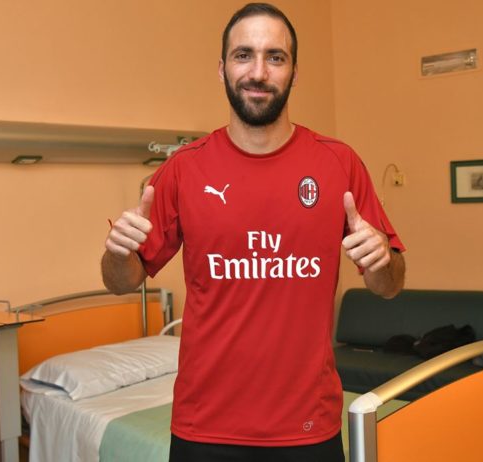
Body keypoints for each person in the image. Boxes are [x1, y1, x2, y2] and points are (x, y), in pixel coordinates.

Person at [101, 3, 406, 461]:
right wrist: (117, 253)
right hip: (205, 428)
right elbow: (122, 281)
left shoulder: (339, 163)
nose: (258, 72)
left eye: (275, 57)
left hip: (309, 427)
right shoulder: (184, 170)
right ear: (222, 68)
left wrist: (382, 258)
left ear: (294, 72)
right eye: (243, 55)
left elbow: (389, 285)